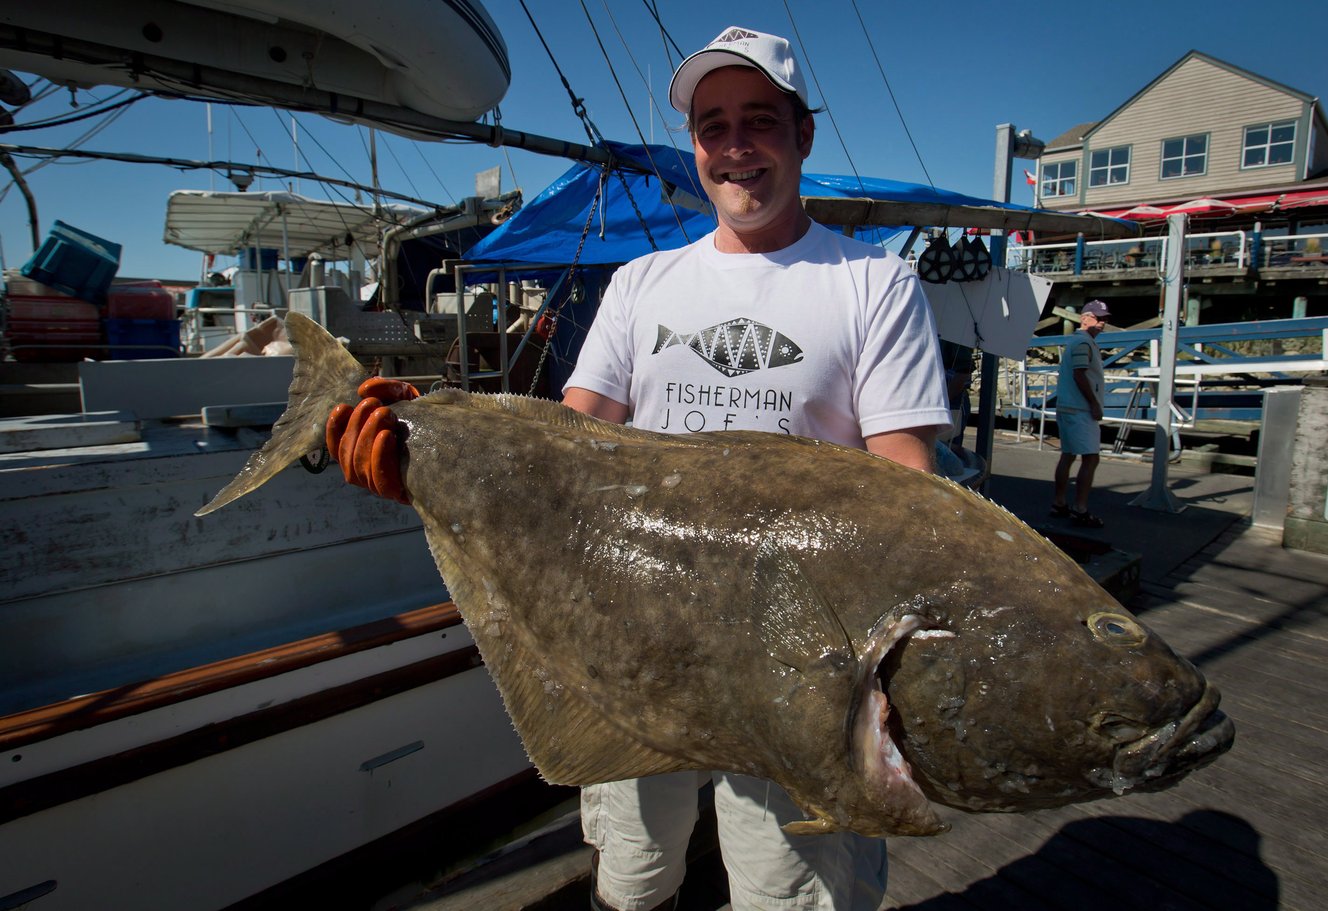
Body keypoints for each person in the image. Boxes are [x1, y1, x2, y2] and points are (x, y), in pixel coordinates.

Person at [329, 24, 951, 911]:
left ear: (803, 133)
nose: (735, 147)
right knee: (632, 875)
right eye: (713, 126)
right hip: (633, 635)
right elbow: (567, 448)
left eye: (760, 121)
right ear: (693, 146)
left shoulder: (872, 282)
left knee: (790, 892)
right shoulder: (641, 282)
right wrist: (421, 453)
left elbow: (906, 486)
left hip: (796, 661)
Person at [1051, 299, 1110, 528]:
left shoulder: (1077, 341)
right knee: (1091, 457)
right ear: (1085, 318)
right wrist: (1094, 403)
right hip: (1079, 409)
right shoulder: (1084, 343)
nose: (1102, 323)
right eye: (1098, 318)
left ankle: (1059, 502)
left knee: (1068, 454)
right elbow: (1080, 375)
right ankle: (1080, 508)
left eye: (1104, 319)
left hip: (1069, 406)